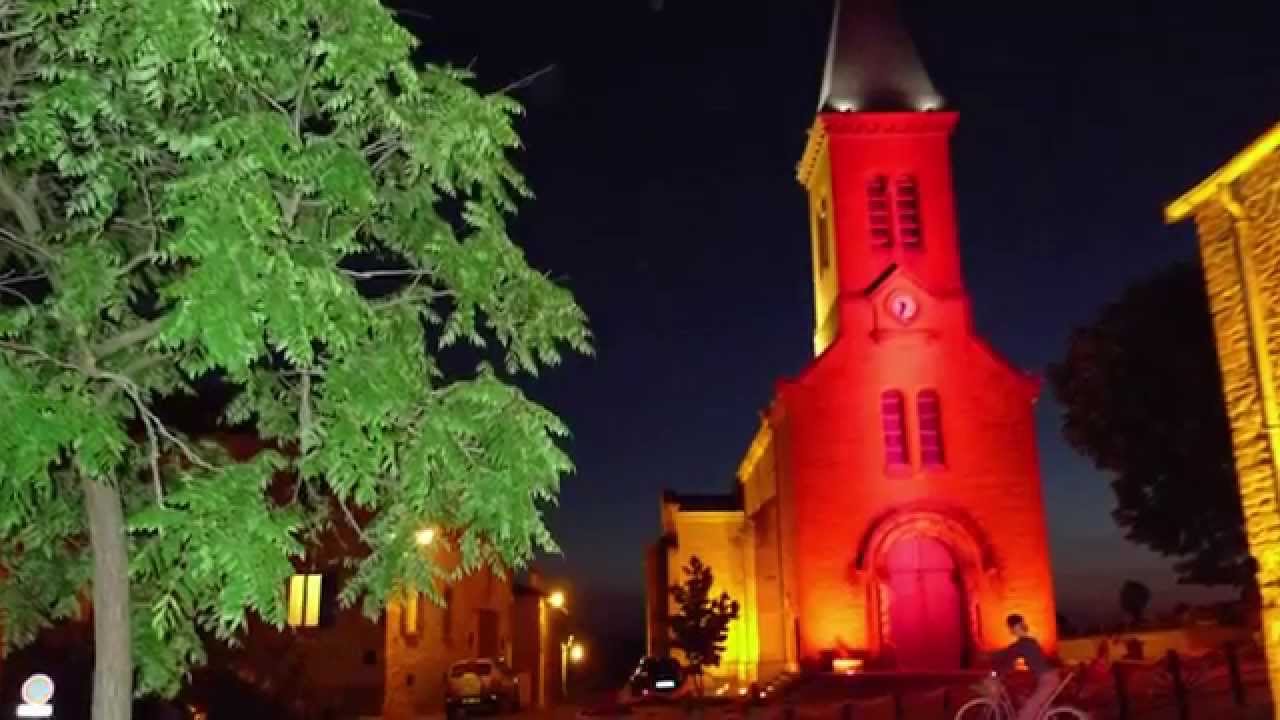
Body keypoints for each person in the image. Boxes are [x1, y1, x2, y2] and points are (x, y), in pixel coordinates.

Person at [992, 614, 1059, 720]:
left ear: (1017, 627)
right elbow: (1009, 657)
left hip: (1048, 681)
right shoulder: (1027, 642)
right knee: (1023, 699)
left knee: (1026, 712)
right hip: (1045, 679)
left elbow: (1006, 655)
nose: (1011, 630)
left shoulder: (1024, 644)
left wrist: (994, 670)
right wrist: (999, 671)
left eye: (1011, 627)